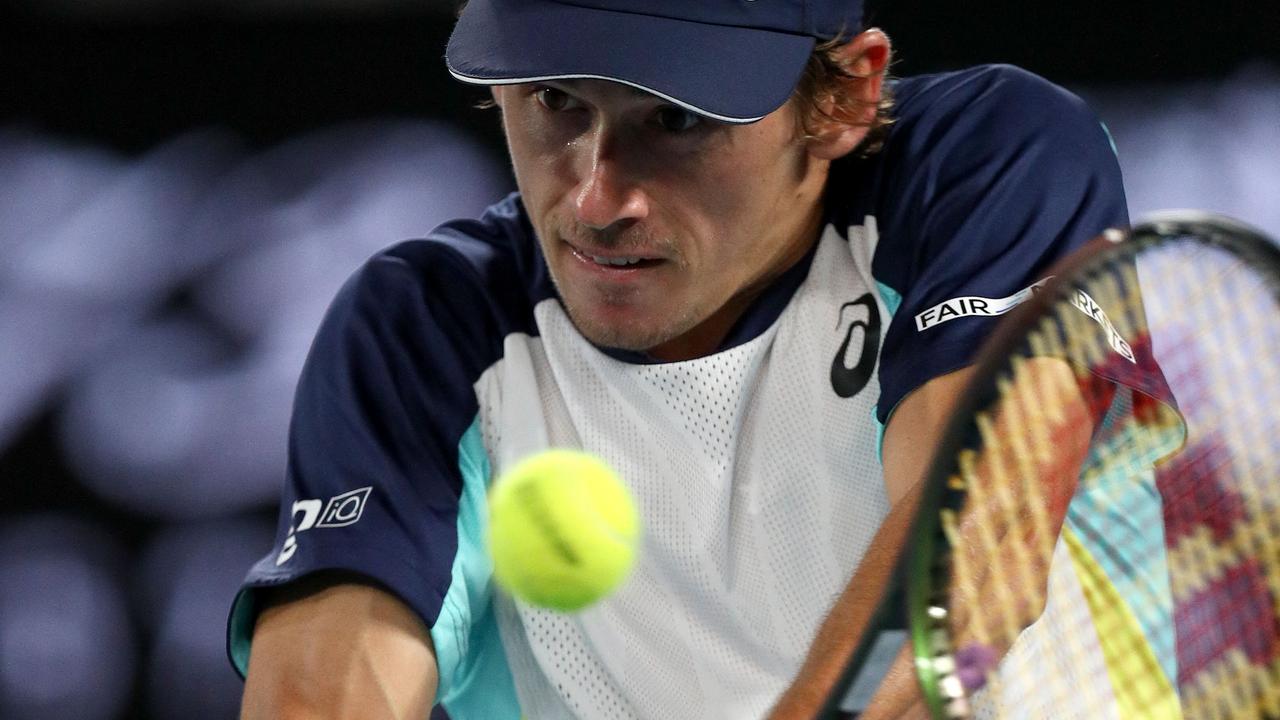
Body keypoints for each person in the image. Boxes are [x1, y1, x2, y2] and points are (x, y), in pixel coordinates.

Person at [228, 1, 1129, 718]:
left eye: (676, 118)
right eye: (556, 100)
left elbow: (982, 527)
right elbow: (319, 696)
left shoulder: (989, 164)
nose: (595, 197)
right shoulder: (422, 330)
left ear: (848, 95)